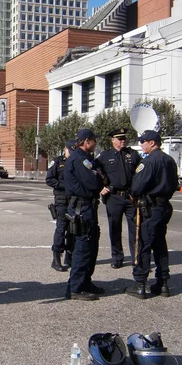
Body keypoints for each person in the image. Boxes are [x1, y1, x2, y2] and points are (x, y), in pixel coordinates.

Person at [125, 130, 179, 299]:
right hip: (164, 206)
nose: (141, 145)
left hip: (150, 207)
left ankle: (140, 283)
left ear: (152, 143)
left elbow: (137, 187)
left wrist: (133, 192)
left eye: (144, 142)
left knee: (144, 244)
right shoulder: (169, 160)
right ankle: (163, 283)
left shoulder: (149, 162)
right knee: (160, 244)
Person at [63, 129, 105, 300]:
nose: (95, 144)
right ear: (87, 141)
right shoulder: (80, 160)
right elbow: (94, 182)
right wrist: (99, 178)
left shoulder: (84, 159)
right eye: (94, 141)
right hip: (82, 208)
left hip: (87, 207)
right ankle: (76, 287)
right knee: (83, 248)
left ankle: (85, 282)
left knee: (91, 246)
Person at [96, 128, 142, 269]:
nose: (123, 141)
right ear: (113, 140)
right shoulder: (104, 156)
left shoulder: (132, 155)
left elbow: (142, 171)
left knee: (135, 229)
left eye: (124, 139)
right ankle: (117, 257)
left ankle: (136, 257)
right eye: (120, 139)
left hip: (130, 197)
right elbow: (94, 171)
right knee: (115, 228)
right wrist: (100, 187)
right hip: (114, 197)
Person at [45, 139, 77, 272]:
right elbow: (49, 179)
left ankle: (69, 257)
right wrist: (64, 186)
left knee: (73, 229)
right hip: (62, 200)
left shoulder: (77, 162)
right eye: (70, 150)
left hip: (74, 200)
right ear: (65, 149)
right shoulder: (58, 162)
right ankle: (56, 258)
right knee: (61, 228)